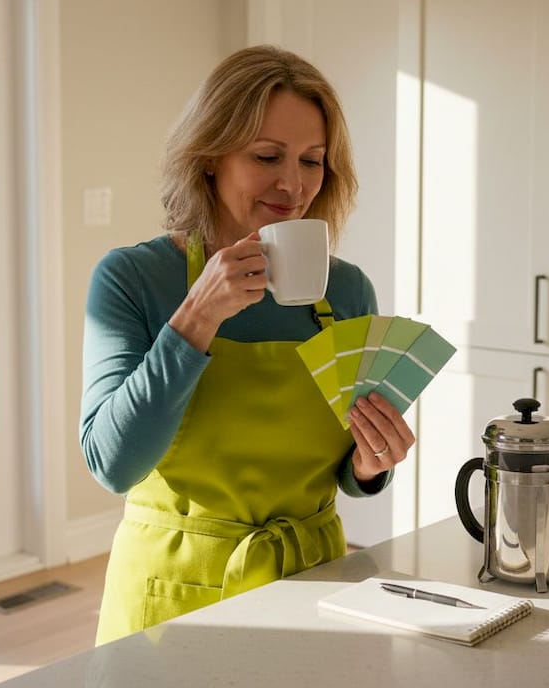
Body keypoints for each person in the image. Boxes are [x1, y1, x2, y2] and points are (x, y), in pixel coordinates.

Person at [80, 45, 416, 646]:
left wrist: (370, 463)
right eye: (267, 156)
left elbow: (346, 471)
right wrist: (197, 316)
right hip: (170, 598)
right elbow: (114, 463)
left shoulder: (347, 291)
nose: (294, 184)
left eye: (313, 161)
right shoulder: (131, 280)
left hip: (314, 584)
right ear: (210, 157)